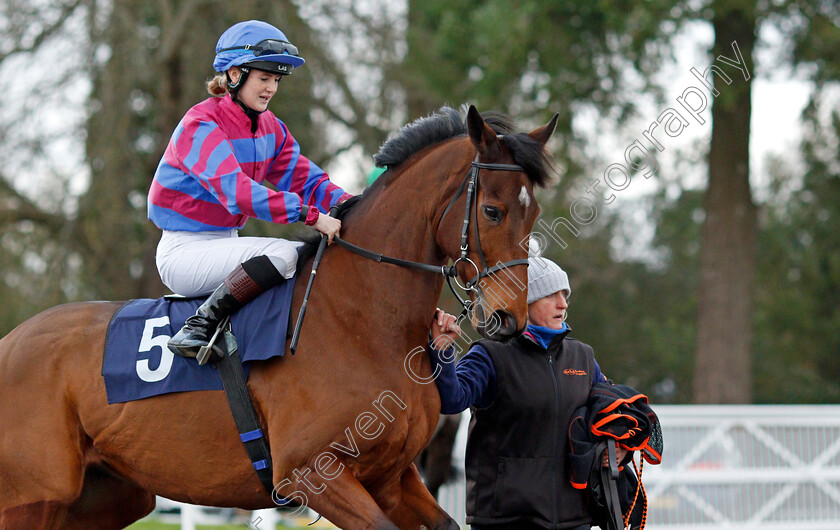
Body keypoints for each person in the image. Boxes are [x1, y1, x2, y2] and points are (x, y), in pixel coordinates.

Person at [147, 20, 352, 358]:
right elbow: (238, 192)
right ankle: (198, 327)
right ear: (233, 74)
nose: (271, 88)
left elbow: (308, 180)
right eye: (263, 78)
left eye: (276, 80)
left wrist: (354, 205)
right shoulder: (200, 124)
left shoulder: (271, 128)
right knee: (285, 254)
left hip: (226, 245)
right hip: (183, 252)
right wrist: (311, 216)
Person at [428, 256, 626, 530]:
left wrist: (619, 448)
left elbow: (608, 411)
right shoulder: (488, 355)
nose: (563, 304)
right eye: (551, 296)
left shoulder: (582, 357)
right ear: (524, 303)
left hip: (574, 517)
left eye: (565, 295)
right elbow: (452, 401)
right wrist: (442, 350)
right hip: (505, 518)